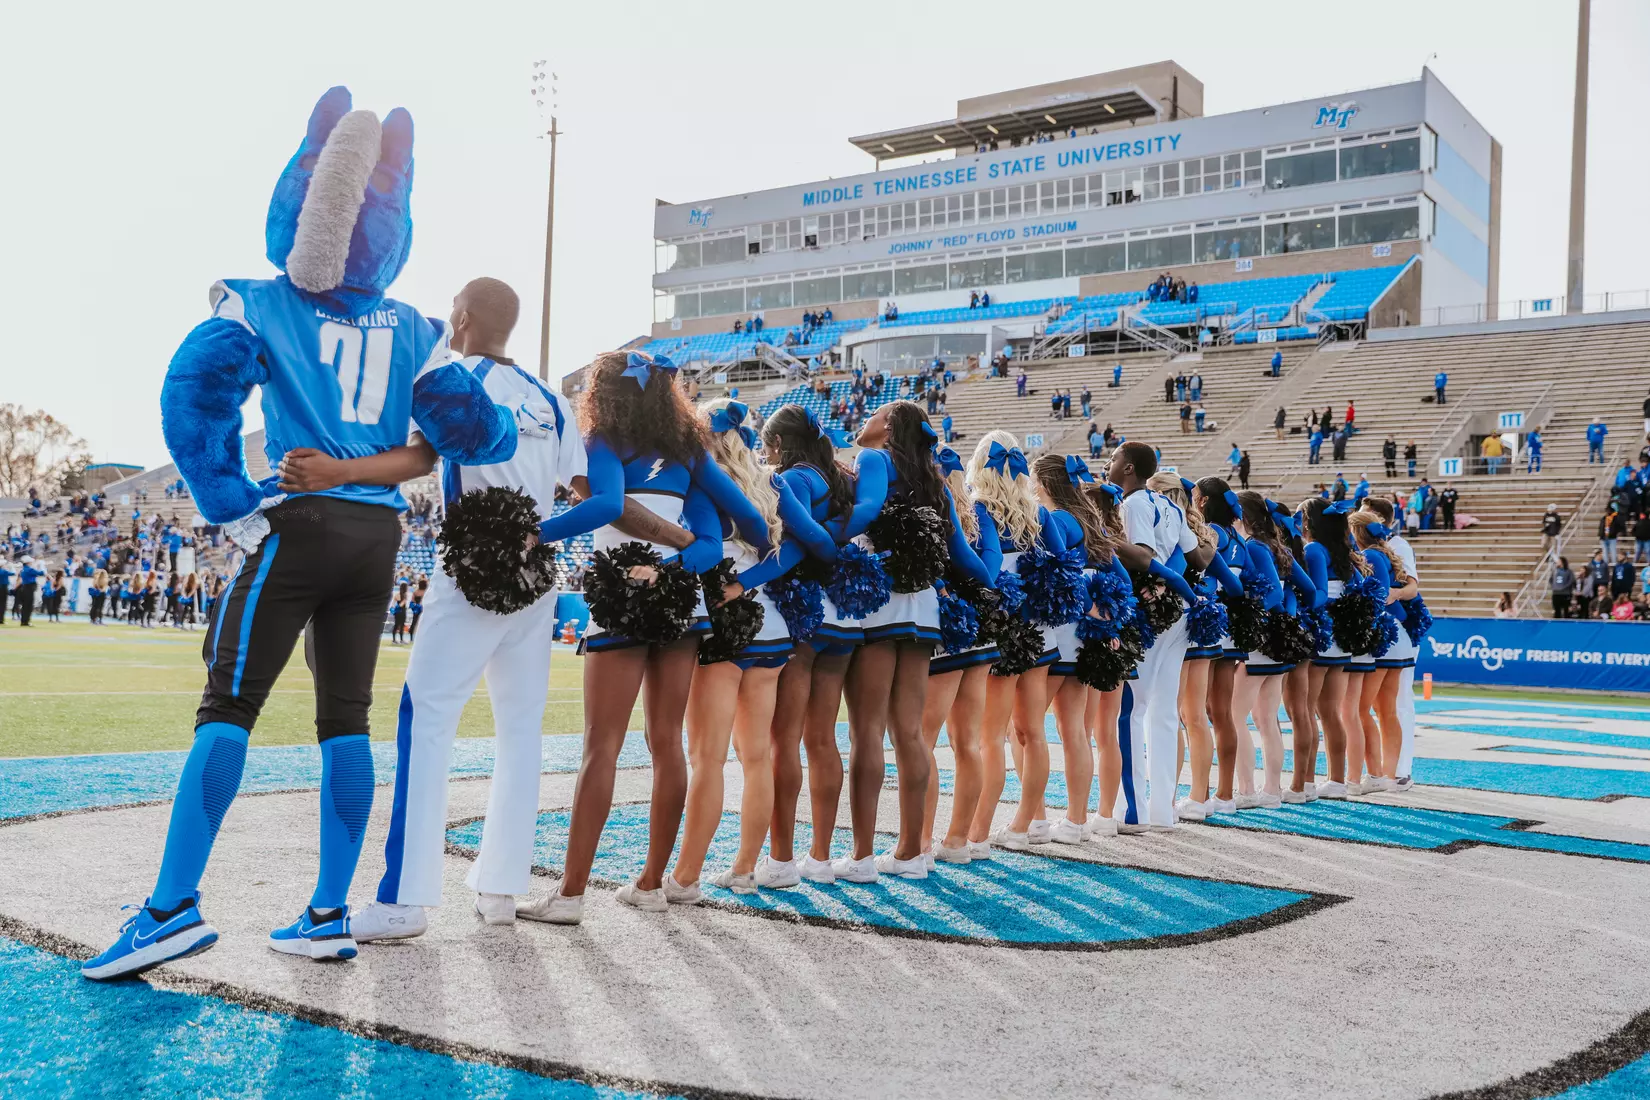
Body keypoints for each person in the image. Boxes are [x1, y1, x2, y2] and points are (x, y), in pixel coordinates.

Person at [83, 86, 523, 980]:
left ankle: (170, 908)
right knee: (345, 722)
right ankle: (327, 910)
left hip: (300, 521)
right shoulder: (415, 327)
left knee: (228, 709)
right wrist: (394, 449)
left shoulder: (262, 300)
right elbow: (488, 434)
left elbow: (195, 400)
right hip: (377, 542)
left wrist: (230, 496)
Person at [352, 278, 619, 942]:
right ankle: (501, 888)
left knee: (429, 720)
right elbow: (585, 492)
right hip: (535, 579)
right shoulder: (549, 400)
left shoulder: (447, 379)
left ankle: (404, 900)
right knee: (520, 731)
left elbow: (414, 456)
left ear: (462, 319)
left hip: (468, 571)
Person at [1110, 443, 1207, 830]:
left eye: (1114, 459)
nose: (1109, 464)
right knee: (1165, 713)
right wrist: (1170, 583)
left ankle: (1134, 812)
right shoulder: (1169, 504)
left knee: (1130, 709)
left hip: (1147, 611)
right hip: (1177, 613)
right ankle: (1163, 812)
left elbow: (1141, 555)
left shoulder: (1134, 502)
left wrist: (1101, 538)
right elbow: (1196, 557)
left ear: (1129, 467)